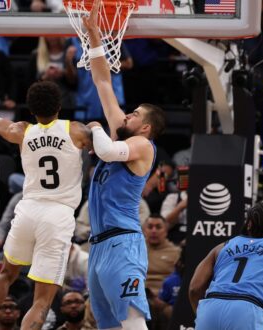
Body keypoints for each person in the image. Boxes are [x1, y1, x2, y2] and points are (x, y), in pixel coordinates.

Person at [0, 74, 92, 328]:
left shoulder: (22, 130)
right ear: (59, 106)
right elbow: (105, 149)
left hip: (28, 210)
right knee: (41, 301)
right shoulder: (76, 130)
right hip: (58, 215)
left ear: (30, 109)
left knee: (6, 274)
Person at [82, 0, 166, 328]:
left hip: (123, 243)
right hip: (99, 245)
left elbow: (104, 151)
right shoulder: (123, 134)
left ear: (146, 126)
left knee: (132, 323)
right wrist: (93, 36)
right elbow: (103, 83)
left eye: (135, 115)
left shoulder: (143, 145)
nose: (127, 114)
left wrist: (94, 127)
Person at [188, 202, 263, 330]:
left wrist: (203, 315)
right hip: (247, 311)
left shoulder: (221, 247)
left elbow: (194, 288)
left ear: (249, 224)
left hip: (210, 308)